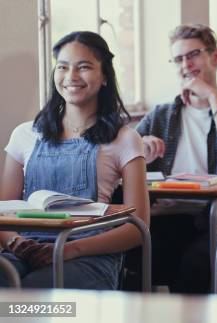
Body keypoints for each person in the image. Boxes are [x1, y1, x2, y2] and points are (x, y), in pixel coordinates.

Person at [0, 31, 149, 289]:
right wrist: (15, 242)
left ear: (104, 76)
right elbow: (3, 212)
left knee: (37, 295)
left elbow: (139, 227)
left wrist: (71, 250)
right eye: (63, 67)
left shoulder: (125, 139)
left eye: (84, 67)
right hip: (24, 250)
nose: (71, 76)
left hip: (90, 256)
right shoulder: (24, 134)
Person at [135, 23, 217, 293]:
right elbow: (118, 162)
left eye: (193, 55)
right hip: (164, 218)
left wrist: (214, 99)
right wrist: (139, 150)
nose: (186, 64)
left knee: (197, 262)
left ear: (214, 57)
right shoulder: (160, 115)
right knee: (132, 254)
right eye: (179, 59)